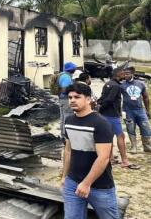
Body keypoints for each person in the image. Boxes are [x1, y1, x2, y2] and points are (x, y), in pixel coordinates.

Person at [62, 83, 119, 219]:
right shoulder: (69, 121)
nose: (72, 100)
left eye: (77, 97)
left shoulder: (100, 123)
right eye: (70, 97)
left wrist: (86, 183)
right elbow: (68, 150)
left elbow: (104, 157)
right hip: (73, 182)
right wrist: (64, 176)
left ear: (88, 99)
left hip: (100, 185)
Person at [98, 67, 138, 169]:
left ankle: (110, 158)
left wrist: (99, 108)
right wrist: (101, 108)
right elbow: (110, 100)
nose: (124, 76)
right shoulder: (116, 86)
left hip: (104, 115)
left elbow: (102, 98)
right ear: (117, 74)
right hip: (112, 115)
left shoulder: (107, 84)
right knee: (120, 136)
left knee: (109, 136)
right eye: (123, 74)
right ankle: (124, 160)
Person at [121, 67, 151, 153]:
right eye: (124, 74)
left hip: (140, 110)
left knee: (146, 127)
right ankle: (133, 147)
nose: (125, 75)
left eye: (127, 73)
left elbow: (146, 97)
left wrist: (147, 110)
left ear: (132, 74)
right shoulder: (122, 85)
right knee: (130, 128)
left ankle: (147, 146)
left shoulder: (140, 84)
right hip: (128, 111)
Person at [59, 62, 77, 138]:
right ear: (71, 69)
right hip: (66, 99)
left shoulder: (63, 75)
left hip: (62, 99)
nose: (75, 69)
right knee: (68, 116)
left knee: (63, 117)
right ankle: (67, 135)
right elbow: (64, 89)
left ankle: (63, 134)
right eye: (74, 68)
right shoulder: (66, 77)